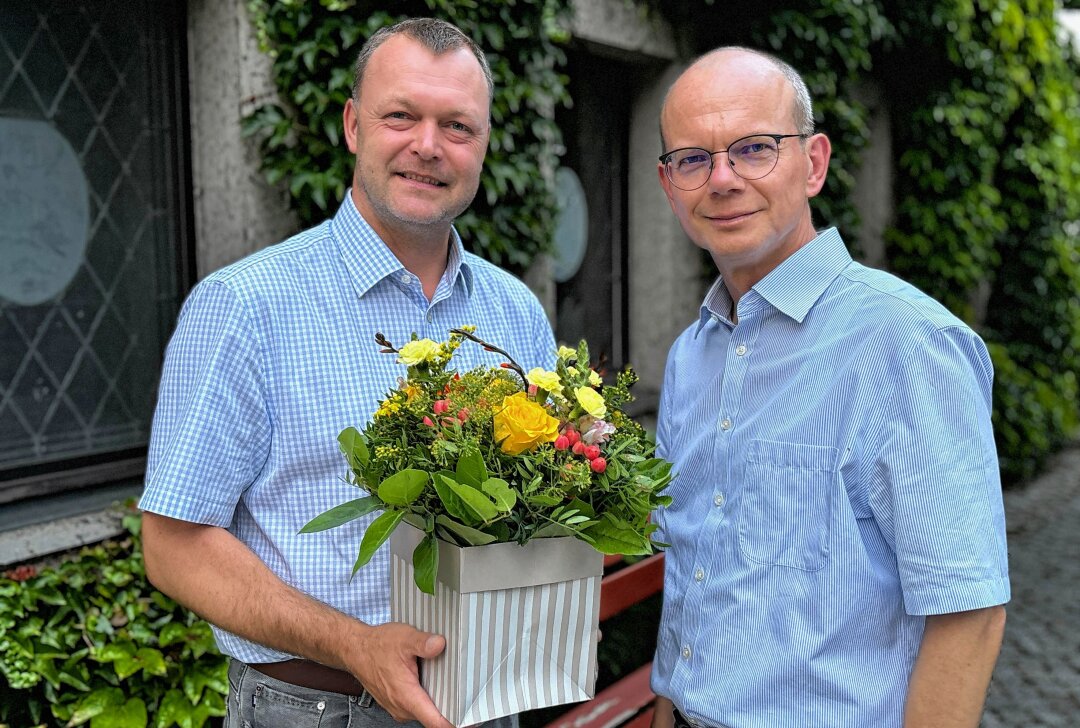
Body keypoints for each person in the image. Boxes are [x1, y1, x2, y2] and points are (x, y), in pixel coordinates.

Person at [139, 18, 556, 728]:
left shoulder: (516, 312)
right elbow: (174, 546)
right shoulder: (245, 306)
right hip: (314, 707)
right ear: (354, 126)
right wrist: (353, 644)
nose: (428, 146)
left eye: (458, 126)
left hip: (489, 700)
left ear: (484, 145)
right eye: (401, 116)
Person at [648, 47, 1009, 728]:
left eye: (754, 148)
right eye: (693, 158)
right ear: (669, 185)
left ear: (813, 162)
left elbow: (970, 610)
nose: (721, 179)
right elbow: (692, 576)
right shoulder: (690, 356)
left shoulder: (908, 343)